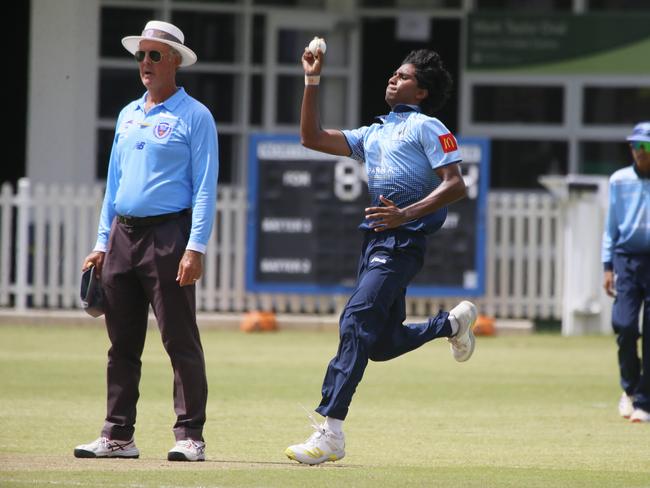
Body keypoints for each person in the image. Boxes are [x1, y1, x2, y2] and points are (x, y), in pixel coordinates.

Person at [284, 46, 478, 465]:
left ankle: (330, 432)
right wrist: (312, 81)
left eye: (403, 76)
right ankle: (451, 324)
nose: (393, 79)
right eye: (392, 74)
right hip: (376, 241)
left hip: (402, 242)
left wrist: (403, 215)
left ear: (422, 91)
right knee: (382, 343)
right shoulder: (373, 133)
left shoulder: (429, 127)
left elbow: (456, 184)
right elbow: (311, 137)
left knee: (355, 319)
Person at [74, 20, 219, 461]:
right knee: (121, 344)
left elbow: (205, 187)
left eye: (155, 55)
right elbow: (113, 186)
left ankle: (190, 436)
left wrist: (195, 247)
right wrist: (102, 242)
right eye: (141, 55)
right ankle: (118, 435)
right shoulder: (128, 114)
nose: (145, 63)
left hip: (168, 235)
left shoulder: (195, 115)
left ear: (175, 60)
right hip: (122, 235)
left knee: (179, 339)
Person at [602, 121, 650, 424]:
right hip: (627, 259)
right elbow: (612, 227)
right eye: (634, 145)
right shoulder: (619, 180)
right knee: (625, 324)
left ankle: (644, 400)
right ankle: (630, 389)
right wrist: (607, 265)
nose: (638, 151)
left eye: (643, 146)